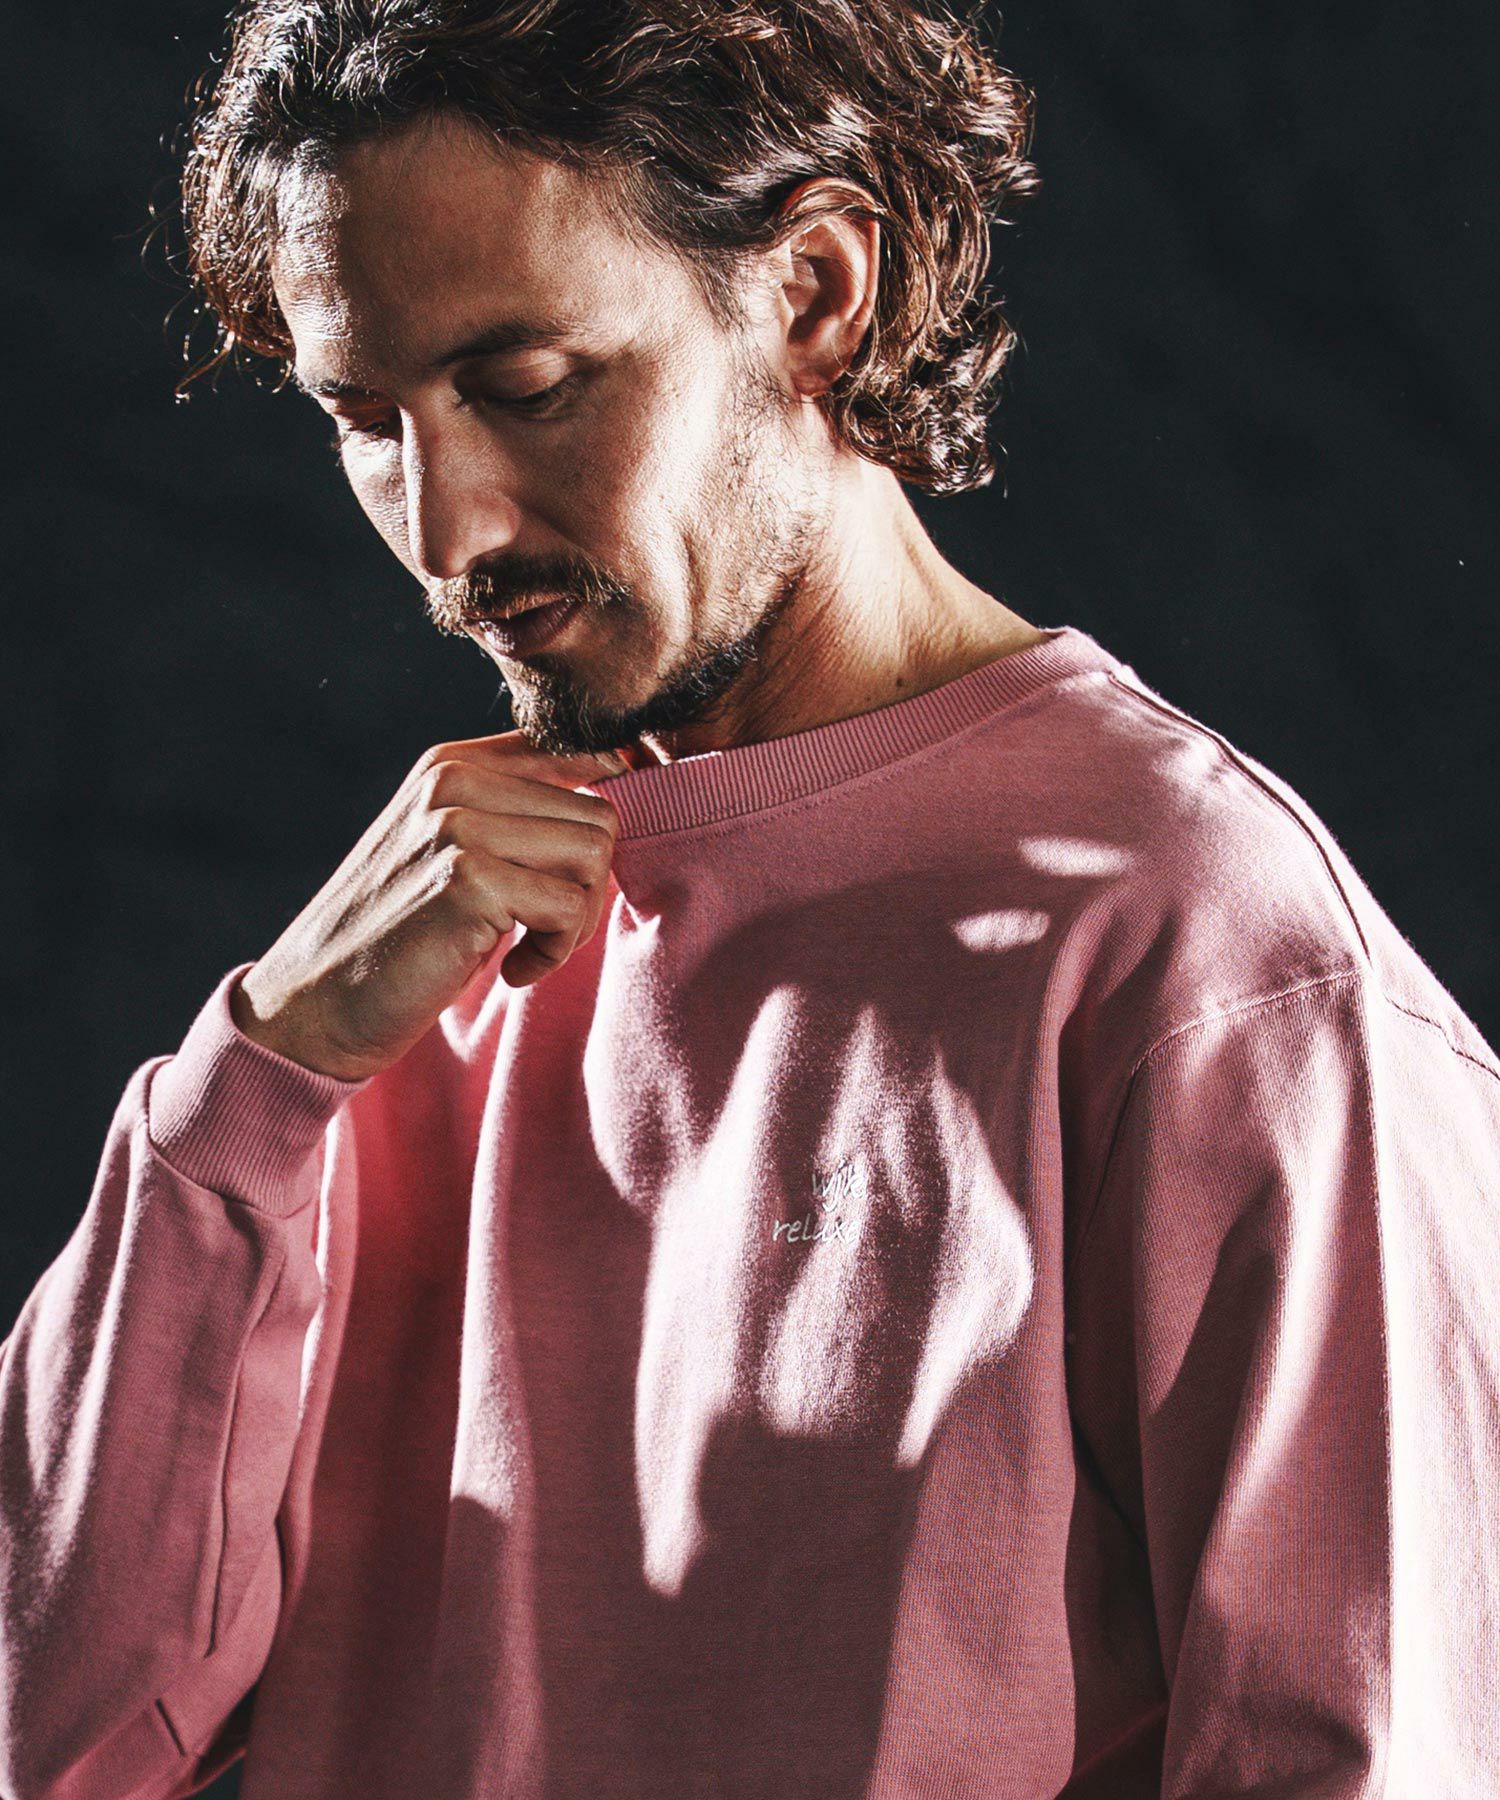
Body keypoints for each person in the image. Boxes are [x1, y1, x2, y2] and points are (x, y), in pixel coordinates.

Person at [3, 0, 1497, 1794]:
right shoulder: (397, 983)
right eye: (366, 419)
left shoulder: (1214, 964)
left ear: (814, 292)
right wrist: (262, 1074)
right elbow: (51, 1737)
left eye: (525, 386)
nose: (451, 532)